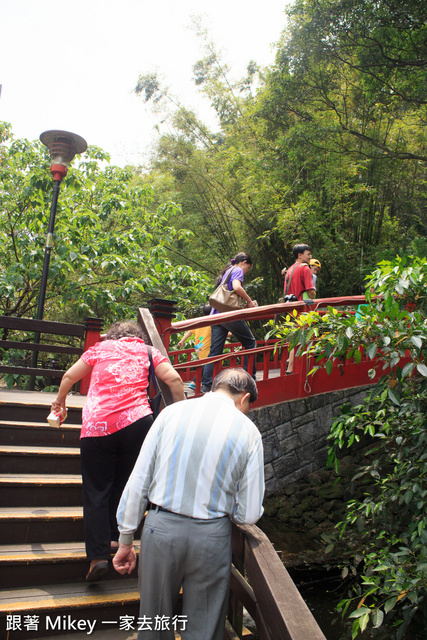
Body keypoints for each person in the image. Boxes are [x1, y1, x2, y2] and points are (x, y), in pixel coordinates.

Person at [113, 368, 264, 640]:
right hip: (211, 536)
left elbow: (139, 479)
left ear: (216, 386)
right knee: (204, 627)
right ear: (244, 398)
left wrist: (126, 538)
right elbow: (249, 513)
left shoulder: (171, 414)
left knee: (154, 622)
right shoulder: (249, 432)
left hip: (160, 530)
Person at [51, 321, 185, 582]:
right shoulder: (149, 351)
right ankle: (116, 537)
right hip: (137, 424)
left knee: (96, 490)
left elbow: (69, 377)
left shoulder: (99, 349)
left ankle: (98, 557)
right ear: (136, 337)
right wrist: (181, 414)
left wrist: (60, 402)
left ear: (113, 336)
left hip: (98, 427)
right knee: (125, 484)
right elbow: (174, 379)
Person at [201, 252, 258, 393]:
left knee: (214, 352)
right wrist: (250, 302)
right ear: (244, 262)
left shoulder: (227, 271)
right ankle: (248, 378)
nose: (246, 271)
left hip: (216, 315)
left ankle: (206, 384)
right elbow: (237, 287)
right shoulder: (237, 269)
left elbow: (230, 295)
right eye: (248, 268)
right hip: (229, 315)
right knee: (250, 342)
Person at [283, 245, 316, 374]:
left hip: (291, 307)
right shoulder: (304, 268)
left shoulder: (290, 269)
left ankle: (290, 364)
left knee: (294, 336)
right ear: (300, 255)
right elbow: (310, 290)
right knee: (303, 336)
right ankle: (293, 368)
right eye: (308, 254)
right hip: (303, 307)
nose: (310, 256)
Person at [177, 304, 212, 390]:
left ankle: (197, 382)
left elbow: (190, 331)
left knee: (203, 365)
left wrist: (182, 340)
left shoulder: (200, 321)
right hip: (205, 347)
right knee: (207, 364)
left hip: (198, 346)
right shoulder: (211, 322)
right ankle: (194, 382)